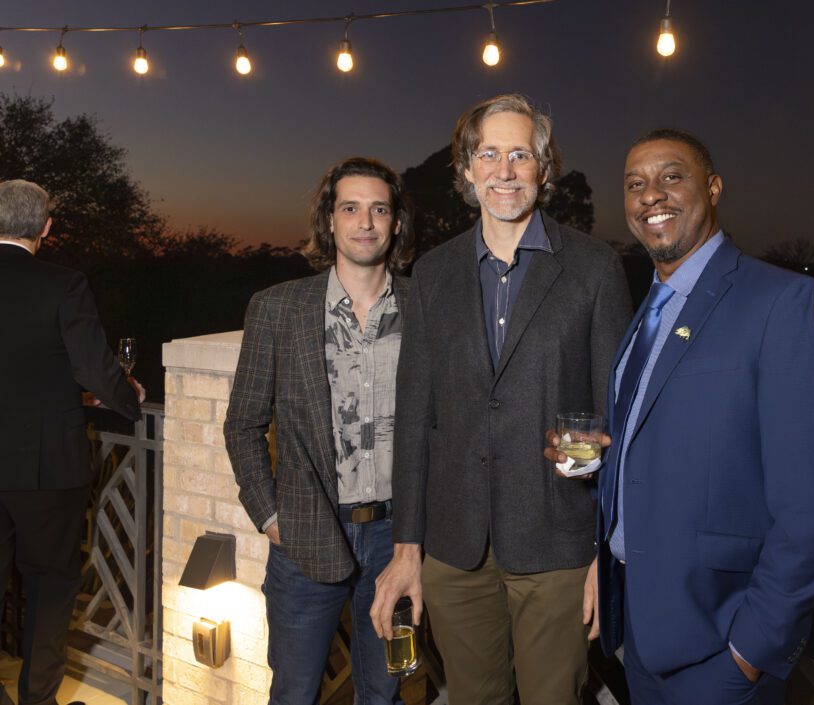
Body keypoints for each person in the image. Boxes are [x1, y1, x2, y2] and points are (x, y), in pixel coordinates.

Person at [549, 129, 814, 704]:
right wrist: (593, 466)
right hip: (641, 639)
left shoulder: (781, 302)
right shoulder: (647, 314)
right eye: (635, 184)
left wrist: (750, 652)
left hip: (722, 649)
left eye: (671, 177)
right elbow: (659, 448)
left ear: (712, 188)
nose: (650, 196)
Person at [369, 94, 632, 705]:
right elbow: (414, 418)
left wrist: (607, 551)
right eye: (489, 154)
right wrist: (408, 547)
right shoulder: (433, 274)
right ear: (467, 170)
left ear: (544, 168)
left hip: (559, 547)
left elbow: (617, 423)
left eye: (521, 154)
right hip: (455, 551)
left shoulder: (594, 269)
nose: (505, 170)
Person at [224, 158, 414, 705]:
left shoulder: (425, 308)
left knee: (385, 691)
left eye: (380, 209)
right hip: (305, 537)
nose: (366, 222)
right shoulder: (278, 309)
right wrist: (271, 516)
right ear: (329, 221)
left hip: (396, 542)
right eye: (350, 208)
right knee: (295, 693)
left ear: (396, 222)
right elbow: (242, 424)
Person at [0, 179, 143, 705]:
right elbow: (92, 367)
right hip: (46, 468)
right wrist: (129, 400)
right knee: (50, 586)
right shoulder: (64, 284)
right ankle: (37, 700)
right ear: (45, 228)